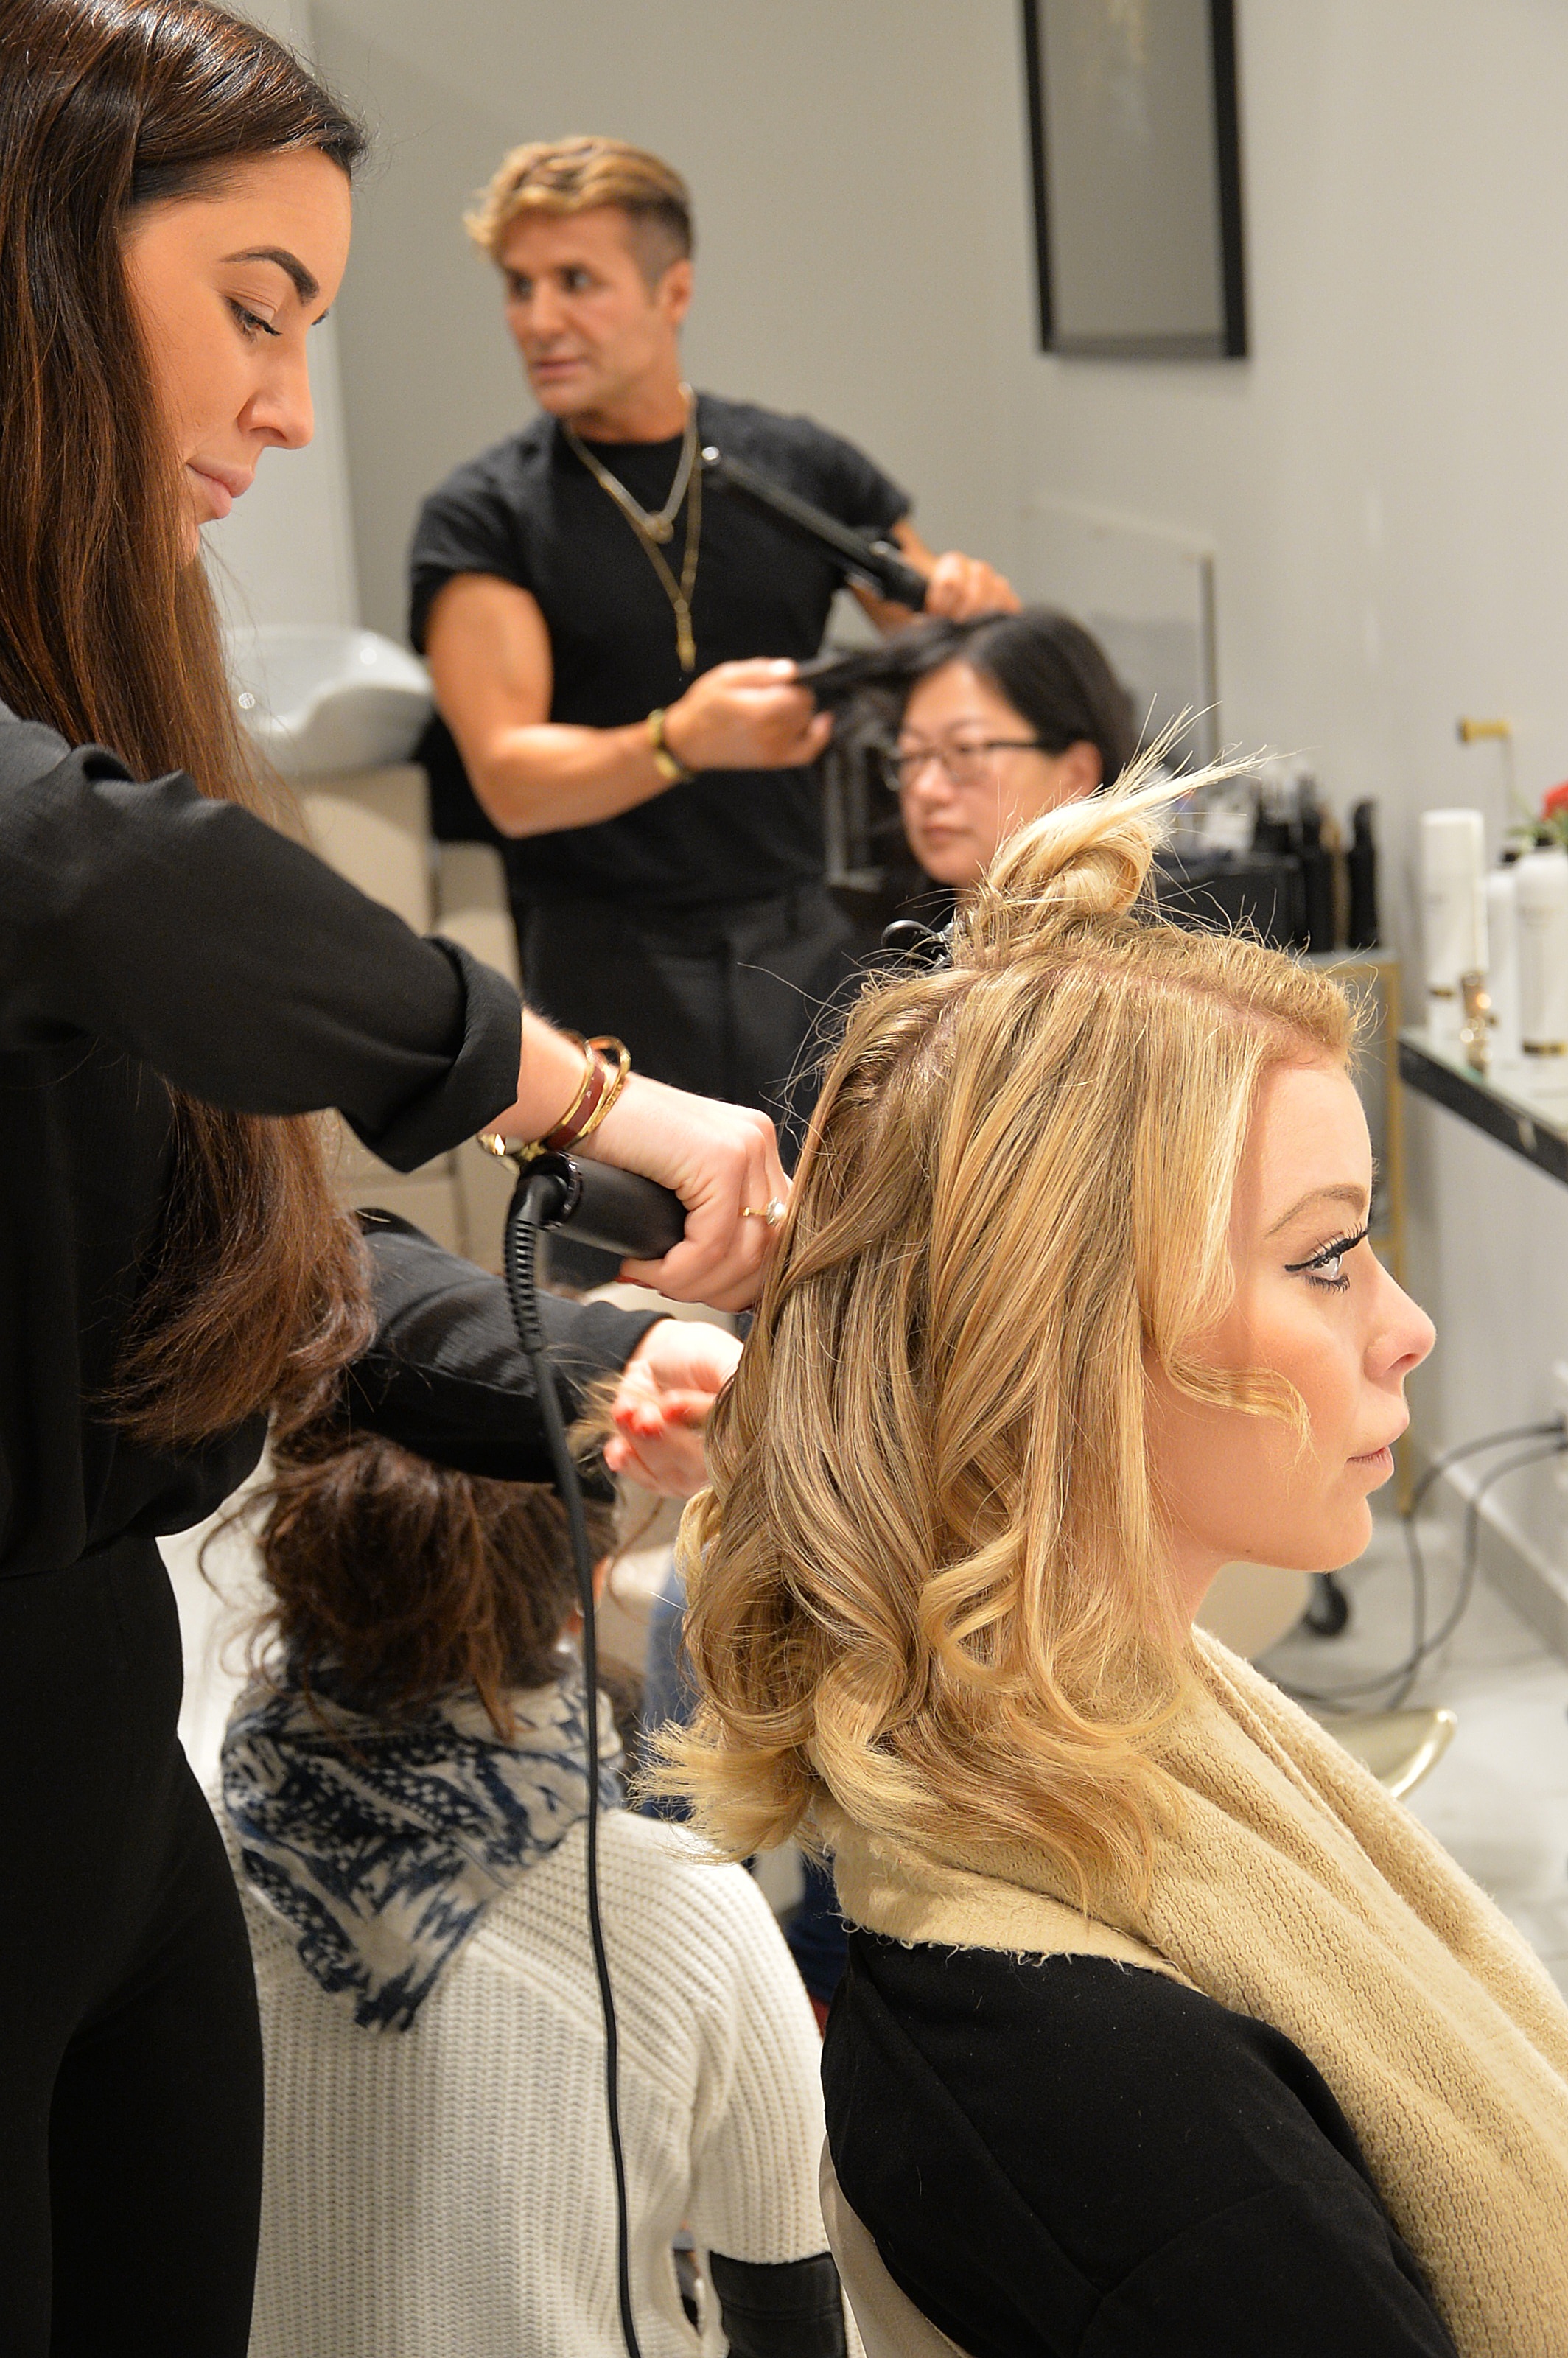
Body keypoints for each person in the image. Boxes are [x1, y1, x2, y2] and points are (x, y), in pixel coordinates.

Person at [0, 10, 780, 2350]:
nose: (285, 408)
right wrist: (583, 1097)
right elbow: (90, 877)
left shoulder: (87, 680)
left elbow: (244, 1253)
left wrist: (584, 1363)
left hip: (94, 1785)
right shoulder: (63, 830)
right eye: (253, 310)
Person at [657, 780, 1568, 2357]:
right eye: (1323, 1257)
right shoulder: (1098, 2100)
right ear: (1058, 1337)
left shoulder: (1119, 1723)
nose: (1407, 1328)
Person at [411, 135, 1018, 1149]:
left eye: (576, 282)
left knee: (833, 1221)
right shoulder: (487, 518)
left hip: (805, 943)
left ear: (674, 291)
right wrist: (680, 742)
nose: (538, 319)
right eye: (519, 286)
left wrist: (966, 606)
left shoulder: (797, 470)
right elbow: (511, 780)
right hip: (605, 966)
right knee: (639, 1244)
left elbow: (948, 652)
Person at [220, 1396, 850, 2358]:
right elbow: (795, 2308)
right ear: (580, 1588)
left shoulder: (169, 1879)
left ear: (288, 1567)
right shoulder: (686, 1912)